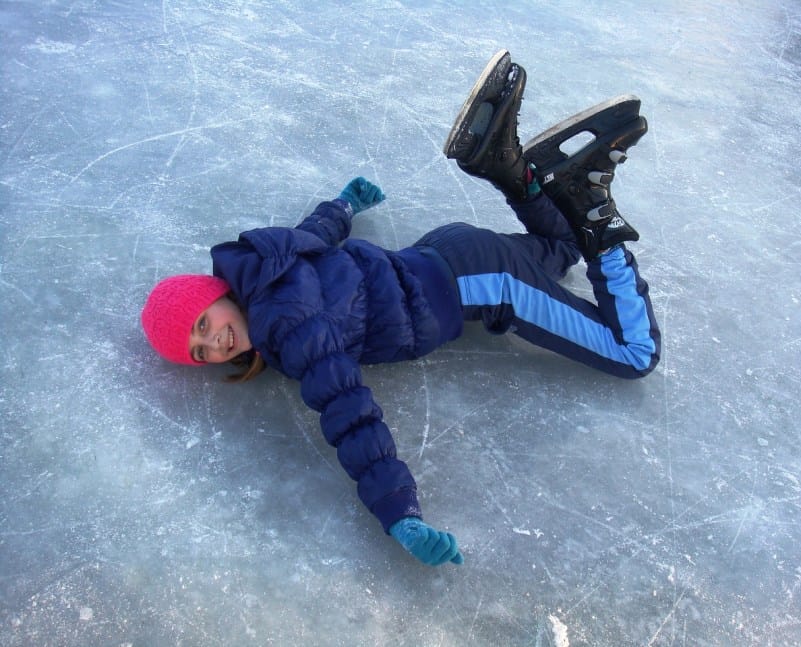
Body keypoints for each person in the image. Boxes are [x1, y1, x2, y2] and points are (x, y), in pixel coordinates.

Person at [140, 50, 661, 567]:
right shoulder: (269, 264)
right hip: (448, 248)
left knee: (633, 352)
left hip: (482, 282)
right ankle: (512, 170)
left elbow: (348, 410)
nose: (214, 342)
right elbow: (313, 233)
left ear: (217, 294)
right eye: (199, 350)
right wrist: (345, 204)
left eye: (204, 323)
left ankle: (600, 222)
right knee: (561, 251)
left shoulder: (290, 326)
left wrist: (398, 511)